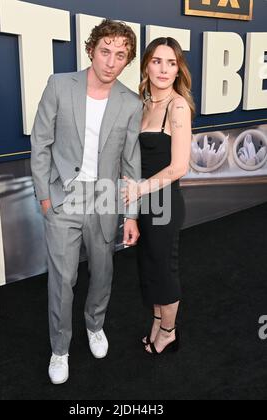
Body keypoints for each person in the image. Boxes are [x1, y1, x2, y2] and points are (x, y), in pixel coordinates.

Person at [31, 19, 142, 384]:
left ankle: (95, 325)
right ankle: (59, 349)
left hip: (106, 200)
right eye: (106, 51)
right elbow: (41, 144)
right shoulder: (60, 85)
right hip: (64, 200)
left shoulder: (130, 102)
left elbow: (130, 162)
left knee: (103, 272)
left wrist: (131, 215)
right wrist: (46, 198)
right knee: (62, 280)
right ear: (91, 49)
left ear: (127, 61)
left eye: (120, 55)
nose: (111, 61)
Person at [122, 37, 194, 355]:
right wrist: (134, 213)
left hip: (165, 202)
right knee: (149, 267)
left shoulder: (177, 106)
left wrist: (139, 190)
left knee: (164, 269)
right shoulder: (144, 103)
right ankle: (156, 323)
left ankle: (168, 333)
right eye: (156, 61)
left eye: (171, 62)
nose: (163, 69)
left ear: (178, 69)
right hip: (146, 203)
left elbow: (179, 166)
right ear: (146, 65)